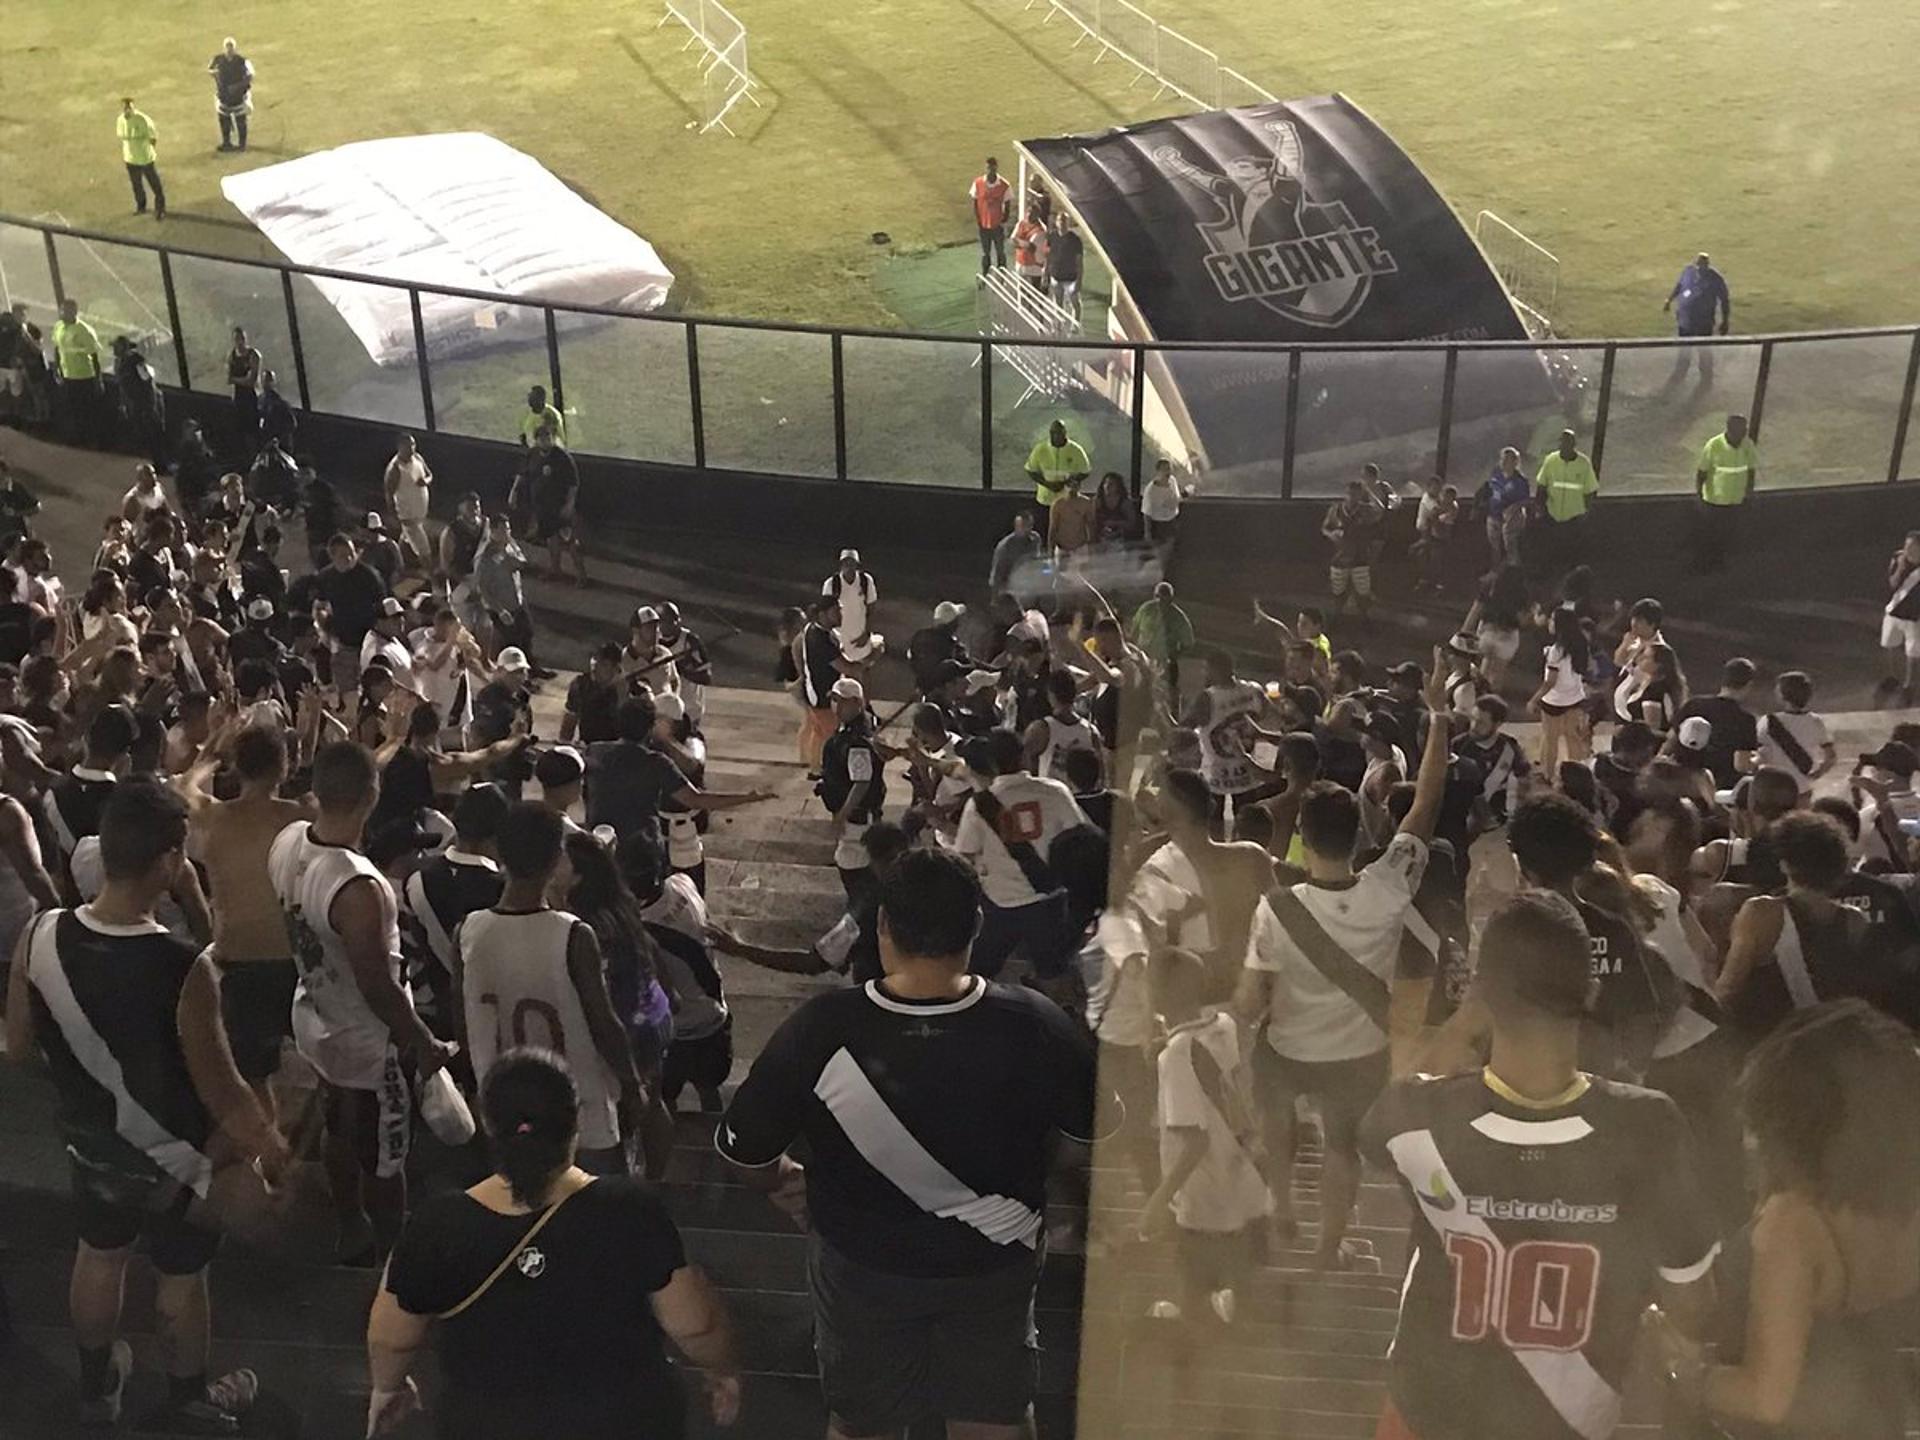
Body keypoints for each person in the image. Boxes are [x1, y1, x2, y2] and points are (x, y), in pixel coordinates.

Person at [717, 847, 1104, 1440]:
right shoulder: (1038, 1023)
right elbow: (1087, 1143)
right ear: (977, 923)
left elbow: (746, 1155)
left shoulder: (823, 1027)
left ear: (882, 928)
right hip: (995, 1261)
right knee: (992, 1414)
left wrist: (786, 1181)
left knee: (865, 1418)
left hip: (863, 1263)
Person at [1363, 890, 1718, 1440]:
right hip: (1570, 1420)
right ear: (1592, 993)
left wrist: (1462, 1025)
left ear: (1482, 995)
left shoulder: (1414, 1116)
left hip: (1424, 1416)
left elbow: (1375, 1125)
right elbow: (1692, 1300)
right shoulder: (1647, 1127)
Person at [5, 780, 284, 1432]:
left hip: (91, 1144)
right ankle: (190, 1400)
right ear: (167, 860)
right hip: (176, 1160)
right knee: (182, 1275)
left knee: (99, 1254)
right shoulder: (181, 966)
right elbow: (222, 1090)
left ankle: (97, 1387)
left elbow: (17, 1047)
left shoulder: (39, 935)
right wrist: (273, 1146)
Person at [367, 1048, 741, 1440]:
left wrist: (388, 1388)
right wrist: (722, 1370)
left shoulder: (437, 1225)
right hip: (621, 1420)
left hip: (488, 1423)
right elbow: (696, 1325)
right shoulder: (631, 1211)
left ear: (488, 1123)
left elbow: (391, 1338)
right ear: (575, 1121)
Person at [1234, 650, 1450, 1268]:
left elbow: (1252, 1000)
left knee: (1279, 1129)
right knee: (1342, 1148)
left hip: (1287, 1050)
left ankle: (1280, 1206)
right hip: (1358, 1052)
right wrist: (1436, 716)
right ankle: (1330, 1247)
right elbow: (1426, 803)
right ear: (1357, 835)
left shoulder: (1277, 907)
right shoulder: (1389, 888)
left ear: (1305, 833)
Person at [1646, 1001, 1920, 1440]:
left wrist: (1682, 1368)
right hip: (1881, 1418)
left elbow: (1766, 1399)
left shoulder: (1793, 1225)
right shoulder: (1904, 1196)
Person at [269, 741, 456, 1261]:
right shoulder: (359, 886)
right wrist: (422, 1042)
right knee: (385, 1153)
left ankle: (349, 1224)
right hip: (370, 1043)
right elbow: (376, 982)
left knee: (336, 1119)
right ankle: (394, 1250)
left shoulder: (286, 843)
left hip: (316, 1013)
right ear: (371, 797)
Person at [454, 803, 641, 1175]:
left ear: (499, 853)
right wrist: (631, 1083)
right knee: (591, 1201)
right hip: (575, 1098)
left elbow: (463, 1018)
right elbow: (602, 1021)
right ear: (556, 858)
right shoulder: (573, 935)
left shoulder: (468, 931)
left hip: (504, 1098)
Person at [1137, 944, 1270, 1327]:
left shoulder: (1176, 1057)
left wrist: (1157, 1202)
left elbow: (1195, 1142)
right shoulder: (1223, 1024)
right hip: (1244, 1184)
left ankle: (1200, 1334)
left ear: (1158, 995)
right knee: (1241, 1280)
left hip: (1204, 1201)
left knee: (1193, 1293)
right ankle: (1230, 1312)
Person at [184, 725, 311, 1106]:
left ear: (237, 769)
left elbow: (186, 785)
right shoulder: (301, 818)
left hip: (238, 956)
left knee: (254, 1075)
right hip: (295, 956)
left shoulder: (212, 816)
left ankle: (265, 1152)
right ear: (284, 768)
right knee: (326, 1060)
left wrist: (213, 748)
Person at [953, 726, 1093, 991]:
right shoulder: (1056, 792)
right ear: (1024, 757)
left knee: (979, 973)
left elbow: (965, 854)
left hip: (1000, 903)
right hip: (1049, 898)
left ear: (991, 765)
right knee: (1052, 971)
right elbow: (1080, 837)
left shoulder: (981, 805)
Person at [1715, 812, 1879, 1034]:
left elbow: (1728, 989)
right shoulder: (1855, 920)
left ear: (1784, 864)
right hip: (1835, 1047)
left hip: (1775, 1049)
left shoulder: (1761, 912)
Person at [401, 781, 508, 1043]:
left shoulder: (416, 879)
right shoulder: (503, 888)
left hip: (442, 1012)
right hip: (497, 1016)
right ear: (498, 834)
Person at [818, 677, 887, 903]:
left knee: (853, 865)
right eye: (835, 700)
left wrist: (842, 815)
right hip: (854, 816)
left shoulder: (856, 742)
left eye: (843, 701)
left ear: (857, 703)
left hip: (857, 820)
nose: (837, 706)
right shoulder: (850, 731)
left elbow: (862, 782)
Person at [511, 425, 586, 584]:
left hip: (560, 507)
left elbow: (574, 483)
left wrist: (569, 504)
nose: (546, 441)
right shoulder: (532, 454)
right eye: (542, 438)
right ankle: (555, 569)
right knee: (551, 538)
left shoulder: (562, 457)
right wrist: (514, 492)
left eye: (548, 437)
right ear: (537, 440)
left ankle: (581, 574)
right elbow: (522, 473)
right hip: (542, 508)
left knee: (570, 541)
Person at [1675, 655, 1760, 788]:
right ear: (1748, 685)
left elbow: (1671, 739)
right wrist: (1758, 760)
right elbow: (1742, 765)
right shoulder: (1745, 720)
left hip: (1683, 780)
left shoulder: (1693, 704)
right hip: (1719, 787)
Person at [1694, 412, 1759, 572]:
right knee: (1713, 534)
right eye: (1740, 429)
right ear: (1730, 429)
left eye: (1744, 428)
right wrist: (1699, 495)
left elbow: (1751, 470)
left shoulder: (1747, 445)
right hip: (1715, 501)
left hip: (1736, 501)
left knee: (1730, 533)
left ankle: (1726, 565)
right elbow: (1702, 472)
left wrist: (1749, 492)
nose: (1744, 432)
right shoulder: (1714, 445)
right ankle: (1709, 564)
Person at [1760, 670, 1836, 795]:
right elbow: (1831, 757)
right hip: (1803, 787)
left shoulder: (1769, 721)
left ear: (1783, 695)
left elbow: (1758, 752)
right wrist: (1817, 774)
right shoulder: (1816, 721)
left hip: (1774, 787)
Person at [1664, 250, 1732, 383]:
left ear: (1707, 265)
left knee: (1704, 350)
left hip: (1703, 322)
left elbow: (1724, 300)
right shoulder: (1688, 271)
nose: (1700, 268)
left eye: (1703, 265)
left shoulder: (1715, 278)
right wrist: (1669, 300)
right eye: (1699, 265)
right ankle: (1681, 372)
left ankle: (1706, 377)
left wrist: (1725, 321)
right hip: (1685, 319)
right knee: (1684, 349)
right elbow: (1679, 286)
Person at [1534, 429, 1598, 569]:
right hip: (1552, 515)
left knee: (1572, 551)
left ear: (1574, 444)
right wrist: (1540, 509)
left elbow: (1590, 491)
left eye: (1569, 442)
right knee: (1553, 549)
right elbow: (1542, 485)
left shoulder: (1584, 463)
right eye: (1562, 442)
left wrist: (1586, 513)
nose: (1565, 445)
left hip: (1574, 518)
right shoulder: (1551, 460)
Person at [1323, 477, 1384, 617]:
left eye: (1356, 494)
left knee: (1363, 592)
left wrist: (1369, 491)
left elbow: (1380, 509)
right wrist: (1332, 535)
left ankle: (1364, 618)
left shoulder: (1366, 510)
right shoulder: (1336, 510)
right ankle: (1336, 617)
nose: (1352, 497)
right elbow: (1325, 528)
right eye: (1350, 493)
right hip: (1340, 557)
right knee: (1338, 591)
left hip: (1360, 557)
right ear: (1346, 493)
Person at [1130, 581, 1194, 709]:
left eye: (1166, 600)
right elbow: (1134, 630)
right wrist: (1134, 651)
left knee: (1167, 695)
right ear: (1155, 597)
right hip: (1144, 658)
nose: (1163, 603)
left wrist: (1174, 655)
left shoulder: (1178, 617)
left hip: (1165, 662)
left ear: (1171, 599)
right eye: (1160, 598)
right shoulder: (1146, 610)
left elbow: (1188, 643)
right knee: (1137, 689)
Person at [51, 298, 105, 446]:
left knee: (87, 410)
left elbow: (94, 356)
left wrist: (98, 379)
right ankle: (77, 438)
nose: (62, 313)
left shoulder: (84, 330)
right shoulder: (58, 327)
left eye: (66, 310)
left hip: (84, 377)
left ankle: (92, 439)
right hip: (68, 376)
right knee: (72, 409)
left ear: (74, 312)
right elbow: (57, 348)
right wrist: (57, 368)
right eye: (62, 310)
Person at [111, 334, 167, 465]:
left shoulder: (135, 360)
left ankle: (160, 463)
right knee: (144, 433)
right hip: (134, 404)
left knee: (153, 433)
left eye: (116, 347)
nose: (114, 350)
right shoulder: (119, 363)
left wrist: (151, 404)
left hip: (145, 403)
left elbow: (147, 380)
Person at [383, 432, 434, 567]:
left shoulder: (417, 458)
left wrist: (426, 481)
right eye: (408, 445)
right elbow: (389, 494)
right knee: (424, 550)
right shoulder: (394, 469)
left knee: (406, 538)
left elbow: (430, 475)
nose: (412, 448)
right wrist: (395, 516)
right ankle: (433, 577)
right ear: (400, 447)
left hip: (420, 512)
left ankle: (398, 562)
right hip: (408, 516)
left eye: (413, 444)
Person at [1881, 530, 1920, 699]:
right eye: (1906, 545)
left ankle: (1909, 685)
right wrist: (1900, 568)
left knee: (1913, 653)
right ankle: (1892, 678)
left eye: (1912, 546)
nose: (1907, 549)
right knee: (1889, 645)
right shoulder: (1898, 558)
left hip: (1915, 618)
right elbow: (1892, 584)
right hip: (1894, 613)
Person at [1477, 447, 1530, 567]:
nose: (1503, 463)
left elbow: (1526, 500)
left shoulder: (1520, 481)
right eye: (1502, 460)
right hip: (1494, 515)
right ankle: (1494, 571)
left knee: (1511, 548)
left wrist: (1514, 507)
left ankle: (1513, 572)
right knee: (1494, 547)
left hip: (1512, 519)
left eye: (1507, 460)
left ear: (1515, 462)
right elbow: (1488, 488)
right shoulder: (1496, 475)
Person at [115, 98, 165, 219]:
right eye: (125, 109)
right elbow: (121, 136)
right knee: (136, 185)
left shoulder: (143, 119)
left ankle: (160, 209)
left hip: (145, 159)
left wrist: (148, 150)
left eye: (129, 108)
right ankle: (141, 206)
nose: (127, 111)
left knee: (155, 185)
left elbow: (153, 137)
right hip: (130, 159)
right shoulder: (120, 120)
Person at [1024, 419, 1090, 508]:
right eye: (1054, 433)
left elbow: (1085, 471)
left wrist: (1066, 483)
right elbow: (1030, 470)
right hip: (1045, 500)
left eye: (1060, 433)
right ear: (1050, 433)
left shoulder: (1076, 450)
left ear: (1065, 433)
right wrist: (1047, 484)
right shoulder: (1040, 449)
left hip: (1067, 500)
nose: (1057, 436)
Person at [208, 37, 254, 151]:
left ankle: (242, 144)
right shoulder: (218, 59)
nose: (229, 49)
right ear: (224, 48)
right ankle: (226, 142)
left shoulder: (242, 60)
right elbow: (210, 69)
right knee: (224, 120)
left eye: (231, 47)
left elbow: (251, 74)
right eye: (227, 47)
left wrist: (238, 86)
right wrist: (214, 74)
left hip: (238, 97)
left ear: (234, 48)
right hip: (224, 95)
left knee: (240, 121)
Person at [968, 156, 1011, 273]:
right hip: (983, 225)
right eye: (988, 168)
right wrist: (978, 220)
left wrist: (1003, 220)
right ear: (986, 168)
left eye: (992, 168)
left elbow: (1007, 204)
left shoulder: (1004, 185)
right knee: (985, 253)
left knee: (1000, 252)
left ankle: (1002, 275)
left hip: (998, 225)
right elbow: (975, 202)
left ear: (996, 168)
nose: (990, 170)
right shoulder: (978, 183)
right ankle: (985, 274)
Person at [988, 510, 1043, 599]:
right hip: (1010, 587)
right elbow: (997, 574)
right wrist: (995, 598)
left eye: (1029, 526)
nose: (1027, 529)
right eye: (1023, 526)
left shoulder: (1035, 539)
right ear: (1016, 527)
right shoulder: (1005, 546)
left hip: (1029, 584)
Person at [225, 327, 262, 448]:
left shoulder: (253, 355)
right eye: (237, 339)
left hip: (252, 397)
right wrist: (241, 380)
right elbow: (228, 379)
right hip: (238, 397)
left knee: (252, 430)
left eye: (242, 339)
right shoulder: (231, 355)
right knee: (240, 430)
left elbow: (252, 381)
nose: (239, 342)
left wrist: (236, 380)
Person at [1047, 474, 1096, 560]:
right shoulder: (1058, 504)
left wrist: (1091, 548)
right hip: (1062, 547)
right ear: (1065, 486)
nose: (1072, 488)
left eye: (1075, 485)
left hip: (1080, 547)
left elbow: (1091, 526)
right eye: (1069, 485)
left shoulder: (1086, 503)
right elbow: (1053, 528)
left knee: (1082, 572)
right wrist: (1051, 550)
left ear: (1079, 486)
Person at [1046, 212, 1085, 318]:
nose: (1062, 223)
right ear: (1056, 222)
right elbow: (1048, 256)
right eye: (1060, 220)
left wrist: (1079, 280)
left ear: (1068, 223)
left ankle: (1075, 326)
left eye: (1064, 220)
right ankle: (1059, 325)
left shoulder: (1075, 240)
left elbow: (1079, 261)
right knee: (1058, 303)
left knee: (1075, 303)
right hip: (1056, 276)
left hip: (1071, 278)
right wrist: (1046, 273)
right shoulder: (1052, 237)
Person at [1010, 203, 1048, 290]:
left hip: (1034, 267)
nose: (1029, 214)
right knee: (1021, 293)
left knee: (1035, 293)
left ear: (1038, 215)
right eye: (1028, 211)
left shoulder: (1041, 229)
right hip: (1020, 264)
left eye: (1032, 212)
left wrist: (1018, 241)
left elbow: (1031, 247)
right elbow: (1012, 241)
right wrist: (1022, 243)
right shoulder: (1021, 224)